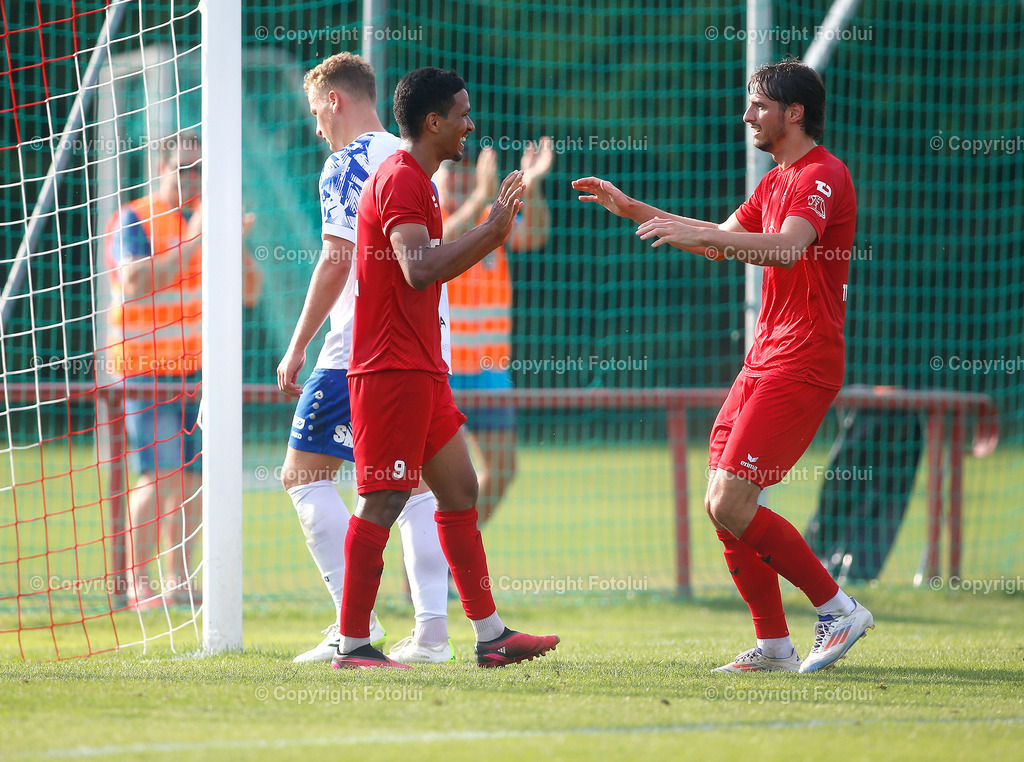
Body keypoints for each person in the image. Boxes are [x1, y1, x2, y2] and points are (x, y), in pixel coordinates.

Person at [573, 59, 873, 674]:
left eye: (759, 105)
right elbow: (717, 236)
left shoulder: (822, 174)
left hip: (803, 357)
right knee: (721, 503)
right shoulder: (776, 180)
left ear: (794, 113)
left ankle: (838, 609)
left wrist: (707, 238)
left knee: (733, 502)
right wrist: (633, 208)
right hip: (765, 357)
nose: (747, 116)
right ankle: (774, 647)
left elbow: (786, 249)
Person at [333, 67, 559, 669]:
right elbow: (419, 268)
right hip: (391, 370)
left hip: (424, 368)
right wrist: (492, 231)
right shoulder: (401, 179)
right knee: (383, 500)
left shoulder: (420, 182)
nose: (470, 124)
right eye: (462, 114)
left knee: (461, 490)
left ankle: (491, 636)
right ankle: (352, 644)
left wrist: (493, 228)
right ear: (433, 122)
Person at [276, 52, 453, 664]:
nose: (316, 127)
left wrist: (298, 344)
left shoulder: (348, 162)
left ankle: (352, 624)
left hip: (361, 347)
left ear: (334, 100)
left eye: (315, 112)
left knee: (303, 475)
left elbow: (337, 257)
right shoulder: (411, 158)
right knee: (417, 488)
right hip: (427, 342)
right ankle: (431, 634)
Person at [106, 133, 263, 608]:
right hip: (145, 372)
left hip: (195, 375)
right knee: (158, 476)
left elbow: (251, 292)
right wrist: (196, 239)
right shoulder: (134, 218)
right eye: (182, 168)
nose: (191, 178)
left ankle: (178, 580)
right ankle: (137, 582)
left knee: (193, 482)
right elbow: (134, 281)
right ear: (162, 168)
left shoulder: (206, 224)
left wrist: (231, 242)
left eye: (198, 170)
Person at [433, 139, 553, 524]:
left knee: (502, 471)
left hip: (488, 371)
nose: (461, 177)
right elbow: (444, 242)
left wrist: (532, 186)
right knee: (434, 482)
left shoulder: (490, 216)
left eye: (469, 170)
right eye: (453, 169)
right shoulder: (430, 217)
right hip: (442, 371)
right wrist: (481, 199)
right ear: (438, 174)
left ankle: (453, 547)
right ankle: (430, 555)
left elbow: (535, 234)